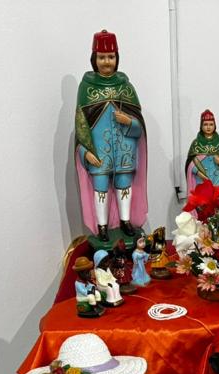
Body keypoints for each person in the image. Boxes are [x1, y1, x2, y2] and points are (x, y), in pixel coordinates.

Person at [75, 30, 148, 244]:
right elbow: (81, 128)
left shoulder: (126, 87)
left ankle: (125, 221)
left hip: (124, 151)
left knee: (124, 184)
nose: (107, 61)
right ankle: (102, 226)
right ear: (94, 59)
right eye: (102, 57)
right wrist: (85, 152)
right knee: (100, 188)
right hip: (98, 153)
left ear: (117, 58)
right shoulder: (86, 89)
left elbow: (139, 128)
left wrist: (129, 122)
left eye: (111, 56)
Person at [185, 110, 219, 196]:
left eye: (211, 124)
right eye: (205, 124)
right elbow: (189, 165)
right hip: (201, 181)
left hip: (218, 181)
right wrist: (198, 173)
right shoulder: (196, 143)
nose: (208, 127)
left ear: (215, 126)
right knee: (202, 202)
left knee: (217, 202)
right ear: (201, 126)